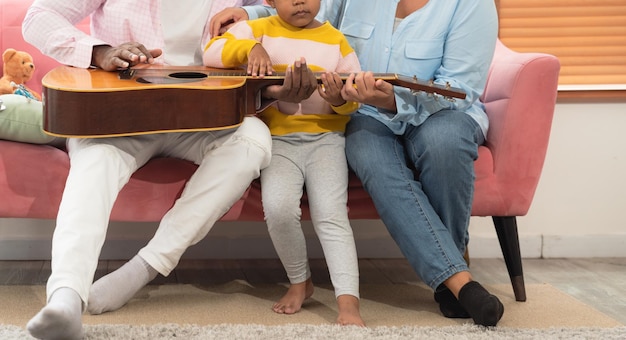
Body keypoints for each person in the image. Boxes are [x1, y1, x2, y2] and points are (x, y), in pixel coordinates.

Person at [22, 1, 318, 339]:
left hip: (202, 116)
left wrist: (273, 87)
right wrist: (99, 52)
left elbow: (271, 11)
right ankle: (66, 299)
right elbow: (39, 16)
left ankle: (142, 269)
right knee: (94, 164)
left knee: (253, 140)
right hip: (119, 113)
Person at [212, 0, 505, 327]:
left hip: (442, 114)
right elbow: (307, 14)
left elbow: (459, 91)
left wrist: (390, 99)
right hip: (368, 113)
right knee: (365, 150)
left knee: (443, 143)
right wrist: (250, 15)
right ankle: (459, 283)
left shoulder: (471, 5)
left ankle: (452, 263)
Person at [204, 0, 364, 326]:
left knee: (331, 216)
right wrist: (250, 49)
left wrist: (338, 100)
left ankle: (349, 303)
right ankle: (300, 282)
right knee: (278, 209)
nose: (300, 1)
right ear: (269, 2)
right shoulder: (258, 31)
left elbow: (353, 101)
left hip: (326, 142)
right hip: (278, 142)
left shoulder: (337, 40)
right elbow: (211, 51)